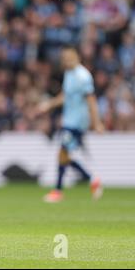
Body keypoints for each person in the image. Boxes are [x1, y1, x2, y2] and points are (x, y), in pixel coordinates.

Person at [36, 46, 104, 203]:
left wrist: (97, 123)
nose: (65, 61)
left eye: (68, 58)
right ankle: (91, 179)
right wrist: (49, 104)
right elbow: (65, 96)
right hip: (68, 120)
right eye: (64, 59)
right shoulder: (69, 74)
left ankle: (58, 191)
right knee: (64, 155)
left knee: (62, 153)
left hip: (78, 122)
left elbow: (91, 100)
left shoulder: (83, 76)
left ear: (76, 57)